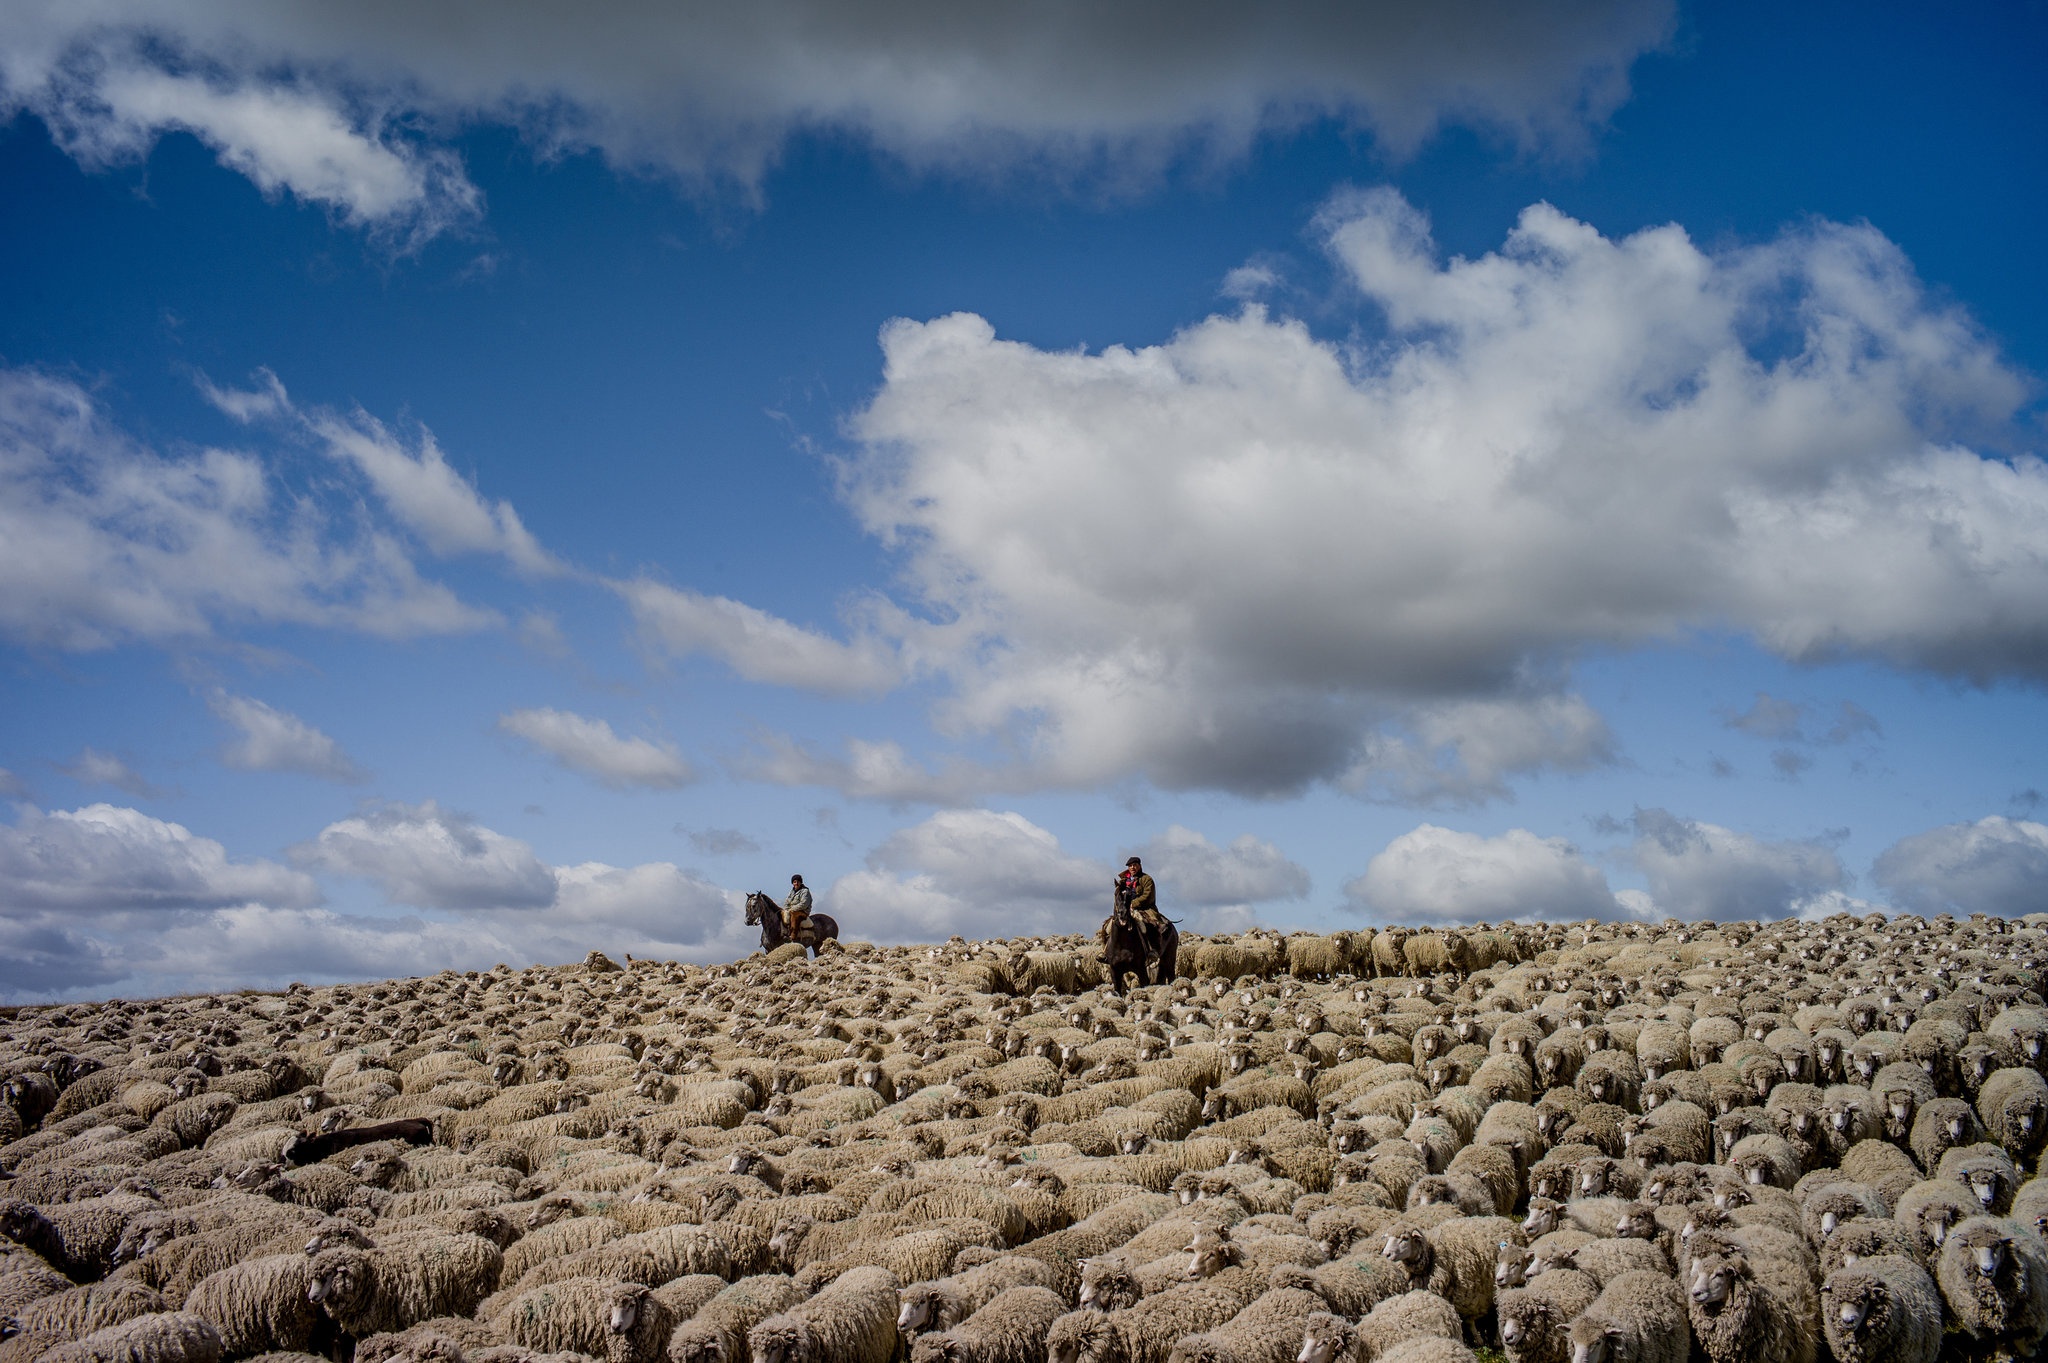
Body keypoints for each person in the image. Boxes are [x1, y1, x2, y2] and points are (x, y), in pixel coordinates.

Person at [1118, 856, 1167, 962]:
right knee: (1109, 925)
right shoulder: (1123, 880)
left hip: (1144, 908)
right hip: (1125, 909)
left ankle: (1153, 950)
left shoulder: (1147, 879)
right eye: (1130, 866)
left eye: (1134, 865)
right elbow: (1118, 895)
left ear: (1139, 866)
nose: (1132, 867)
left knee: (1150, 924)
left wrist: (1133, 904)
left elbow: (1148, 896)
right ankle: (1107, 951)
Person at [784, 874, 813, 943]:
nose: (796, 883)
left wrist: (792, 909)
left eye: (798, 882)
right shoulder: (791, 892)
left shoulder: (805, 891)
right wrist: (786, 909)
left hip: (802, 911)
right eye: (794, 882)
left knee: (795, 916)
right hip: (791, 910)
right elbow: (787, 902)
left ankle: (793, 936)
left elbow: (804, 904)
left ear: (800, 882)